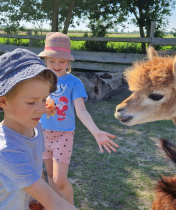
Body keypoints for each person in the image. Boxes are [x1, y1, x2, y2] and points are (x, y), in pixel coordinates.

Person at [0, 48, 76, 210]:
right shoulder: (7, 150)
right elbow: (54, 203)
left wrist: (35, 200)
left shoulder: (36, 127)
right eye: (31, 102)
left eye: (43, 99)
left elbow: (36, 168)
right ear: (3, 101)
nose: (41, 109)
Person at [38, 32, 119, 205]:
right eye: (52, 61)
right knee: (50, 175)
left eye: (62, 61)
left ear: (68, 61)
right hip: (42, 133)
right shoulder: (40, 80)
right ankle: (55, 206)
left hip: (63, 136)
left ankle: (69, 207)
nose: (57, 65)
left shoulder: (74, 83)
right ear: (45, 60)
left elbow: (81, 111)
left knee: (60, 179)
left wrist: (96, 132)